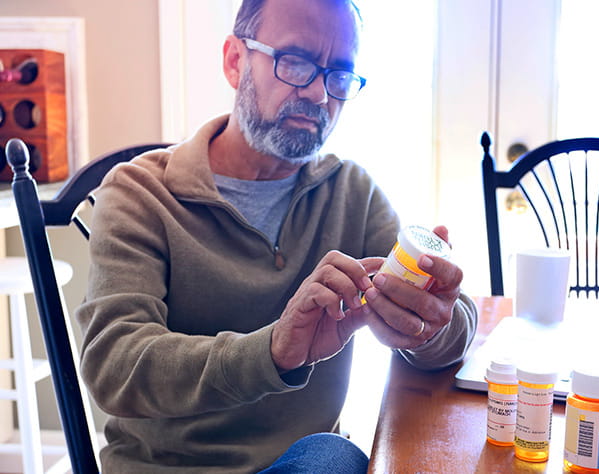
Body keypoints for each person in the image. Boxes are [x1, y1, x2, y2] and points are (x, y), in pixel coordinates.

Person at [75, 0, 478, 472]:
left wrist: (427, 324)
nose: (318, 94)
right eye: (296, 63)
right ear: (234, 61)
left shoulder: (351, 192)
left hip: (303, 463)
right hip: (170, 467)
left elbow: (455, 327)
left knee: (335, 454)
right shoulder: (140, 192)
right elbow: (114, 364)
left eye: (338, 76)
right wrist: (270, 351)